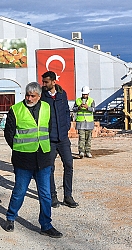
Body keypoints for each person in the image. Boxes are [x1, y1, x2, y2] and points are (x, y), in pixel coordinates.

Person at [3, 82, 62, 238]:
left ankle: (46, 225)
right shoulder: (15, 110)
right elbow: (9, 134)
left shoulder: (47, 108)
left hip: (43, 157)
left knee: (45, 194)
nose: (29, 98)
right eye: (27, 95)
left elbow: (48, 129)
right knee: (19, 192)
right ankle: (10, 218)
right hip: (23, 159)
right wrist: (19, 148)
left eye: (32, 96)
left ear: (39, 96)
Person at [40, 71, 78, 208]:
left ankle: (68, 196)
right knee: (49, 168)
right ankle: (53, 196)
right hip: (49, 139)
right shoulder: (42, 97)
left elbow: (67, 112)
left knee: (69, 165)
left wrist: (67, 125)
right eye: (43, 81)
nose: (44, 84)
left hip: (63, 138)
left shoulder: (62, 94)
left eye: (46, 82)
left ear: (54, 82)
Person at [73, 86, 95, 159]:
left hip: (89, 122)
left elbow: (94, 109)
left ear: (88, 94)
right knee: (81, 138)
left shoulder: (91, 100)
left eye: (85, 94)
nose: (84, 96)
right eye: (83, 94)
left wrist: (87, 107)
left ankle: (88, 151)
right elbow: (74, 109)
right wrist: (78, 108)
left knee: (88, 138)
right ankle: (81, 152)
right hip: (81, 122)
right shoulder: (78, 100)